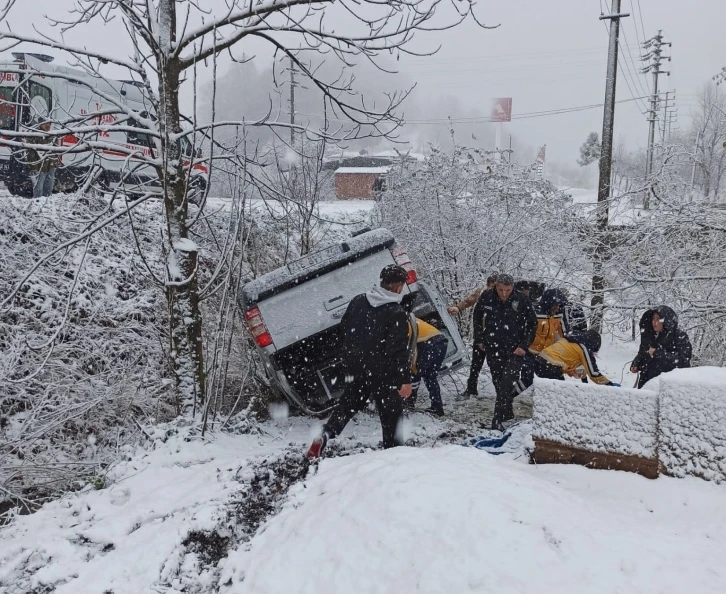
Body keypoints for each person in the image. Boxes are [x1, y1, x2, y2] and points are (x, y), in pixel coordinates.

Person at [307, 265, 414, 458]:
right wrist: (405, 379)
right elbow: (399, 350)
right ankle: (395, 457)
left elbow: (344, 329)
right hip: (384, 372)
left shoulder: (358, 301)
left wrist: (353, 357)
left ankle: (325, 434)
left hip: (357, 367)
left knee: (348, 405)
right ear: (398, 287)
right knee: (391, 417)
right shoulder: (396, 312)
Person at [472, 273, 537, 431]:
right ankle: (507, 416)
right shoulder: (487, 296)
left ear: (512, 287)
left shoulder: (521, 300)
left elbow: (532, 323)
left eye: (507, 290)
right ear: (495, 286)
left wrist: (524, 345)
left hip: (515, 349)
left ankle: (497, 421)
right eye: (500, 289)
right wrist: (480, 338)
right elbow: (477, 315)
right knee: (498, 383)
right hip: (493, 346)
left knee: (507, 384)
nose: (503, 293)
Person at [447, 274, 497, 400]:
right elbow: (469, 300)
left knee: (496, 366)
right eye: (492, 285)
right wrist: (457, 308)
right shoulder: (482, 293)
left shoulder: (503, 296)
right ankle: (471, 389)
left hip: (496, 336)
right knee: (476, 364)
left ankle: (502, 393)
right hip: (481, 334)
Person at [518, 289, 567, 394]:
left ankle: (555, 401)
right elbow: (522, 330)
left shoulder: (557, 316)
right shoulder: (534, 312)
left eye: (559, 305)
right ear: (549, 303)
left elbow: (563, 336)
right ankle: (507, 397)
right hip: (528, 352)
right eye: (556, 305)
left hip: (545, 355)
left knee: (557, 378)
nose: (558, 308)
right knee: (527, 379)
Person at [630, 306, 692, 389]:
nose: (655, 322)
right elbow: (643, 352)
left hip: (668, 386)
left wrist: (657, 354)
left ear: (667, 321)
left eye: (659, 319)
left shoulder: (679, 337)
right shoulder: (650, 336)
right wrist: (637, 363)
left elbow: (683, 362)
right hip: (646, 384)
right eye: (653, 319)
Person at [535, 330, 620, 386]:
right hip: (551, 366)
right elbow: (593, 373)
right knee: (559, 392)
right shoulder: (584, 347)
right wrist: (609, 384)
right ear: (594, 344)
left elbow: (580, 370)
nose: (593, 354)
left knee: (553, 390)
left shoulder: (574, 339)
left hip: (540, 360)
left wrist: (584, 382)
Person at [409, 318, 449, 416]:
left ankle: (409, 404)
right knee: (430, 376)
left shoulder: (401, 326)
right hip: (441, 341)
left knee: (415, 373)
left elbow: (413, 352)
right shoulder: (410, 318)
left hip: (430, 343)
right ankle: (437, 407)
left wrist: (414, 368)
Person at [25, 118, 58, 198]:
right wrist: (34, 169)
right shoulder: (34, 135)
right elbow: (30, 153)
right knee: (38, 191)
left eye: (49, 123)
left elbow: (56, 150)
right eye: (45, 123)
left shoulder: (52, 135)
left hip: (50, 167)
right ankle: (37, 207)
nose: (47, 126)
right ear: (40, 124)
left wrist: (55, 164)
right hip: (39, 168)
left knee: (48, 192)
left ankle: (46, 208)